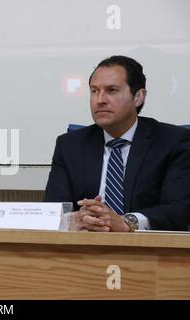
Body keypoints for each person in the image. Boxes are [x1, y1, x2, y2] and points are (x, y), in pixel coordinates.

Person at [44, 55, 190, 232]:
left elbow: (179, 209)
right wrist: (76, 219)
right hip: (83, 248)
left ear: (138, 97)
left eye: (111, 90)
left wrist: (126, 222)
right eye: (94, 91)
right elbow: (52, 209)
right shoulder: (69, 145)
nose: (100, 100)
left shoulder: (172, 141)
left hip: (148, 252)